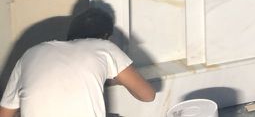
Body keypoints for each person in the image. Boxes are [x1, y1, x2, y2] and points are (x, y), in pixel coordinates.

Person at [0, 7, 155, 117]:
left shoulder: (31, 53)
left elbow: (5, 113)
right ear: (106, 36)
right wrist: (119, 80)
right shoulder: (104, 47)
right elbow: (147, 95)